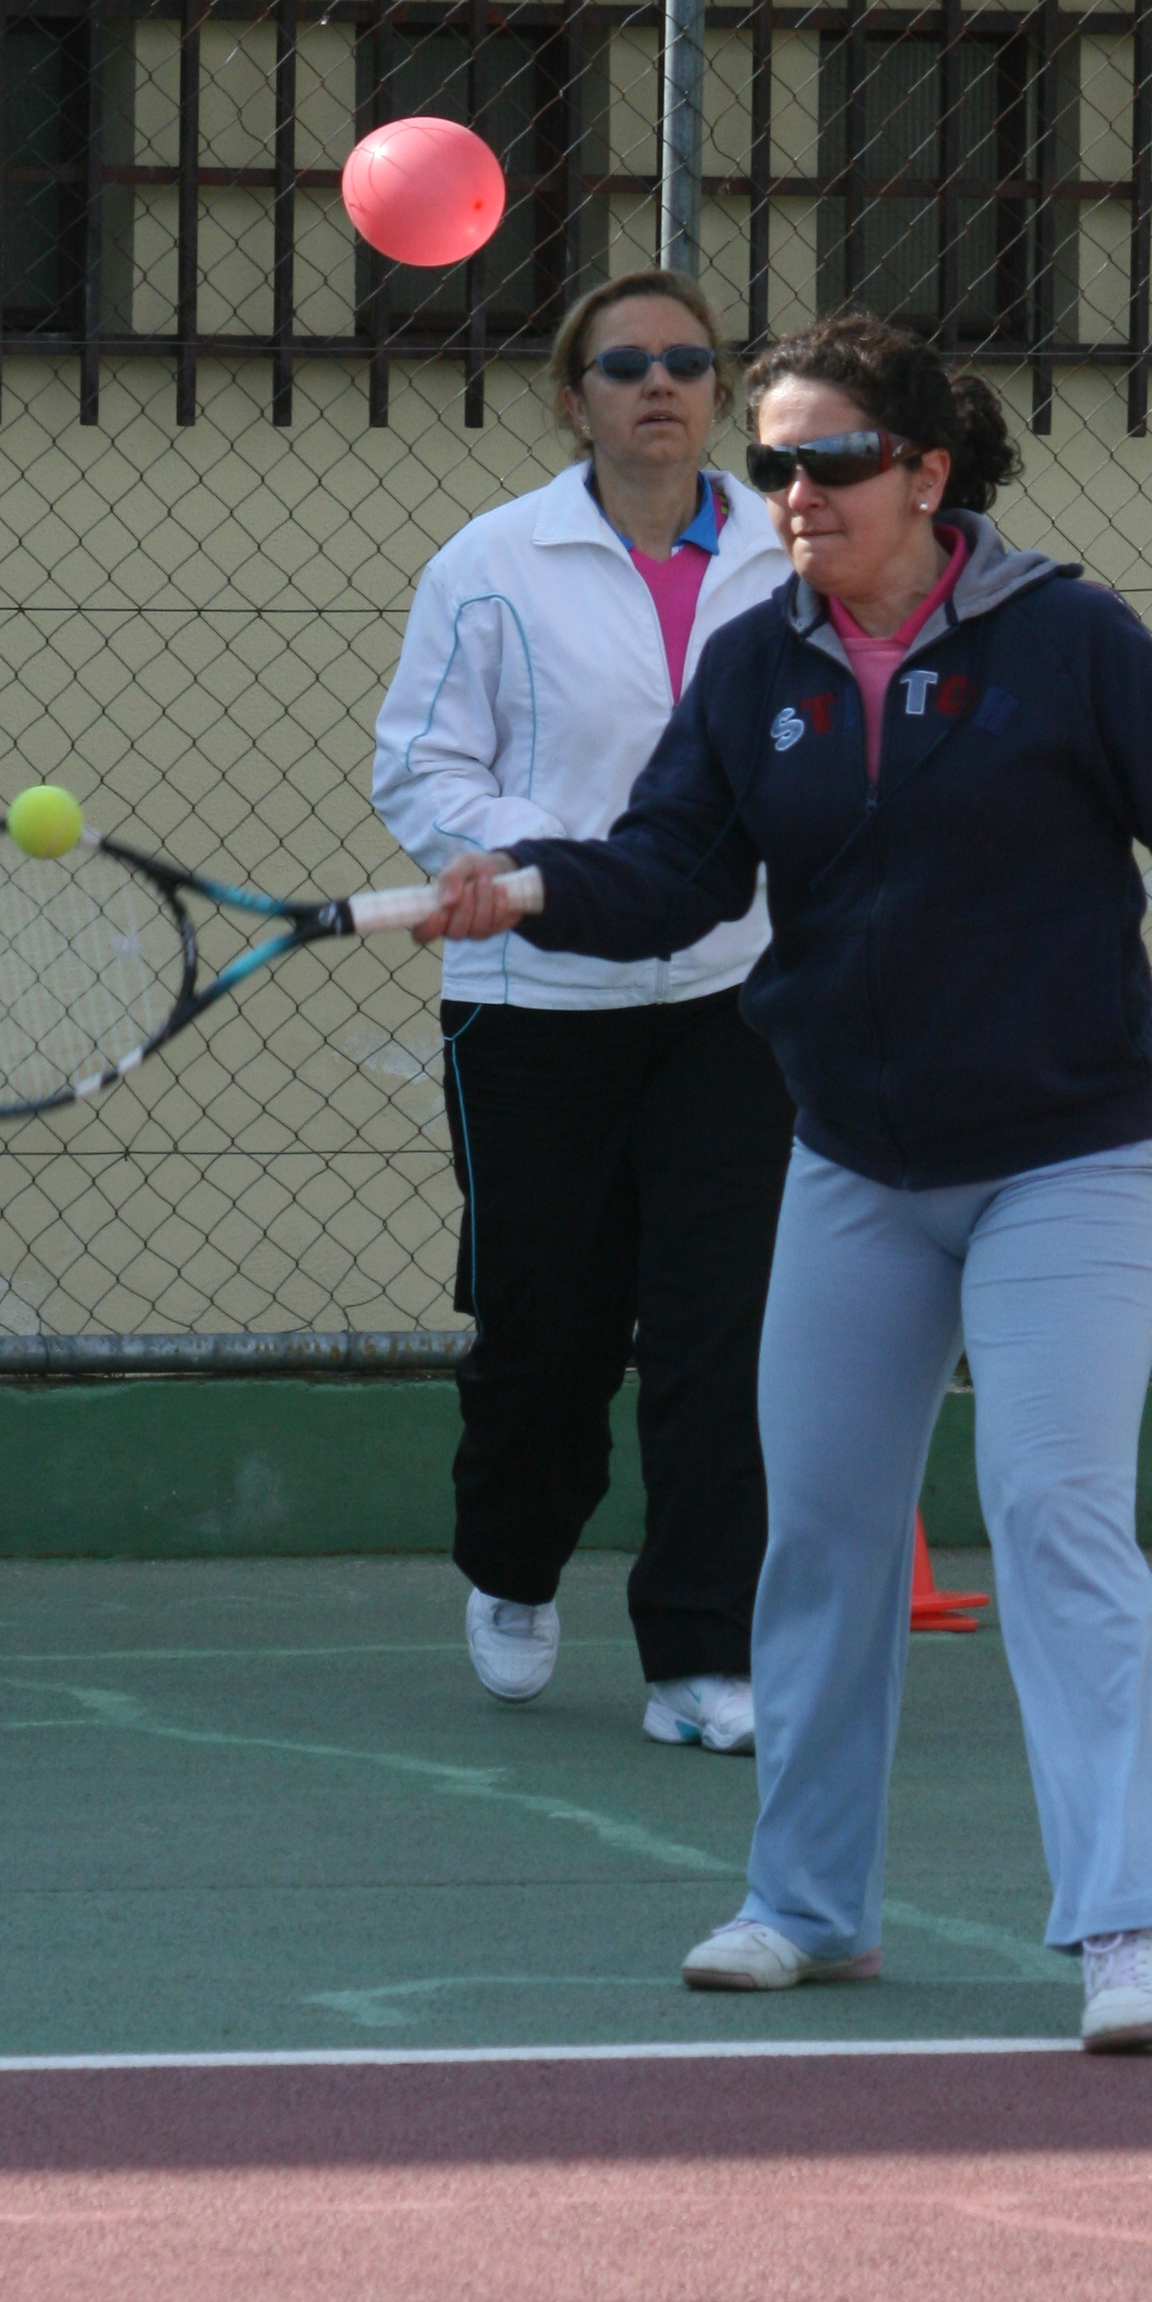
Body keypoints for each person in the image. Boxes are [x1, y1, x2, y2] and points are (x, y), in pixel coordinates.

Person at [418, 309, 1152, 2047]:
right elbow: (671, 872)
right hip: (853, 1165)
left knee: (1053, 1514)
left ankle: (1132, 1928)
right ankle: (808, 1907)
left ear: (925, 471)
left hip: (1069, 1157)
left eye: (830, 460)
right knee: (816, 1537)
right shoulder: (756, 666)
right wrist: (526, 885)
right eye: (775, 463)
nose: (796, 493)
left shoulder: (1067, 640)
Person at [373, 271, 796, 1749]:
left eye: (687, 361)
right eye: (625, 366)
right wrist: (515, 861)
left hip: (735, 1000)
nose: (657, 385)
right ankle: (513, 1560)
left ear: (723, 392)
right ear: (574, 399)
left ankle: (702, 1657)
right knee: (546, 1335)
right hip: (532, 1006)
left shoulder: (791, 555)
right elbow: (422, 765)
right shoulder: (490, 563)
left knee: (720, 1333)